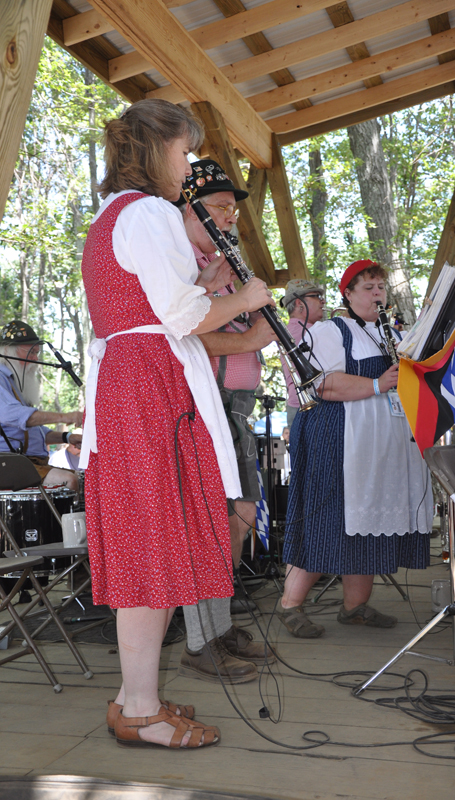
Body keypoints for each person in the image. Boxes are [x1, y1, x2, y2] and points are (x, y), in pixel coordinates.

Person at [80, 99, 274, 750]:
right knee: (154, 541)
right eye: (183, 151)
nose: (187, 165)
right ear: (155, 148)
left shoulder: (112, 215)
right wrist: (243, 299)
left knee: (148, 541)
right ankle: (139, 707)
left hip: (130, 383)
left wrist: (205, 278)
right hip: (151, 388)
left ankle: (136, 696)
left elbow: (154, 299)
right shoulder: (151, 212)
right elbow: (183, 317)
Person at [278, 260, 432, 638]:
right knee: (326, 519)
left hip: (376, 446)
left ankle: (355, 606)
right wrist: (378, 384)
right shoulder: (332, 330)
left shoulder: (390, 336)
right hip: (335, 439)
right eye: (368, 288)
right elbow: (321, 386)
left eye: (381, 287)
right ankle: (289, 606)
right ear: (347, 294)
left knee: (365, 523)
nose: (378, 294)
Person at [176, 159, 277, 682]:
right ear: (189, 208)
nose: (230, 218)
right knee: (212, 518)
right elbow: (181, 336)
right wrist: (248, 337)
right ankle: (202, 638)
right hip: (202, 400)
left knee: (235, 515)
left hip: (234, 404)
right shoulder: (175, 256)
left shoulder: (211, 261)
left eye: (232, 209)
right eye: (219, 207)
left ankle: (218, 623)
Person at [0, 320, 82, 489]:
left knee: (86, 480)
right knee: (69, 481)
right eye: (31, 352)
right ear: (9, 351)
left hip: (26, 464)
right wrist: (68, 416)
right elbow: (12, 415)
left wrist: (67, 437)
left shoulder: (14, 383)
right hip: (8, 463)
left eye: (37, 352)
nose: (36, 359)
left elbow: (32, 432)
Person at [280, 280, 325, 426]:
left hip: (297, 405)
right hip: (312, 404)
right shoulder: (309, 331)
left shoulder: (290, 330)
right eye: (317, 296)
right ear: (300, 304)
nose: (322, 301)